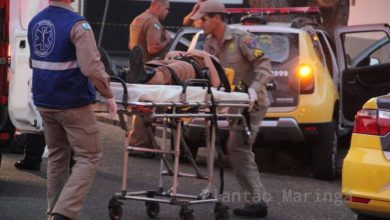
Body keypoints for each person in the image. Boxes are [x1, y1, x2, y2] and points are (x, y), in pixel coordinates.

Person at [27, 1, 117, 220]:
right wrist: (108, 94)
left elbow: (35, 61)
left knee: (58, 156)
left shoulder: (35, 21)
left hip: (44, 100)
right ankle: (63, 213)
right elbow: (91, 67)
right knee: (89, 155)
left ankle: (53, 212)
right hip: (72, 101)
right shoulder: (78, 25)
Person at [191, 0, 273, 218]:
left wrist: (254, 90)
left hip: (252, 103)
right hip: (234, 103)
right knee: (238, 149)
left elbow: (265, 66)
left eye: (204, 19)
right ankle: (256, 201)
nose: (200, 23)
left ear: (217, 18)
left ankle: (257, 202)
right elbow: (212, 75)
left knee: (238, 148)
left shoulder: (241, 38)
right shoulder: (208, 44)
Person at [125, 45, 221, 87]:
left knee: (172, 70)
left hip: (191, 67)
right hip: (175, 60)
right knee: (154, 63)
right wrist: (173, 54)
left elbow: (216, 84)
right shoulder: (193, 51)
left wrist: (206, 56)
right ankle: (121, 73)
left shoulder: (213, 60)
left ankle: (143, 76)